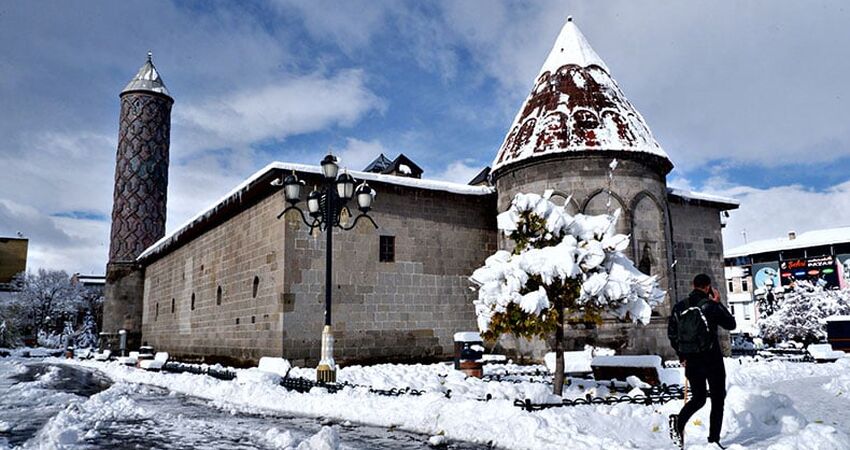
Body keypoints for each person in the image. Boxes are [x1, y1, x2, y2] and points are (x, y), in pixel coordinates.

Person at [667, 273, 736, 449]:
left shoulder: (679, 307)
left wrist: (682, 355)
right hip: (712, 360)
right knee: (717, 399)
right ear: (708, 287)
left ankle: (678, 422)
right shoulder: (710, 306)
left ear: (693, 285)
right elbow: (731, 324)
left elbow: (672, 335)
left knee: (698, 398)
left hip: (691, 360)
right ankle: (713, 440)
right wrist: (718, 302)